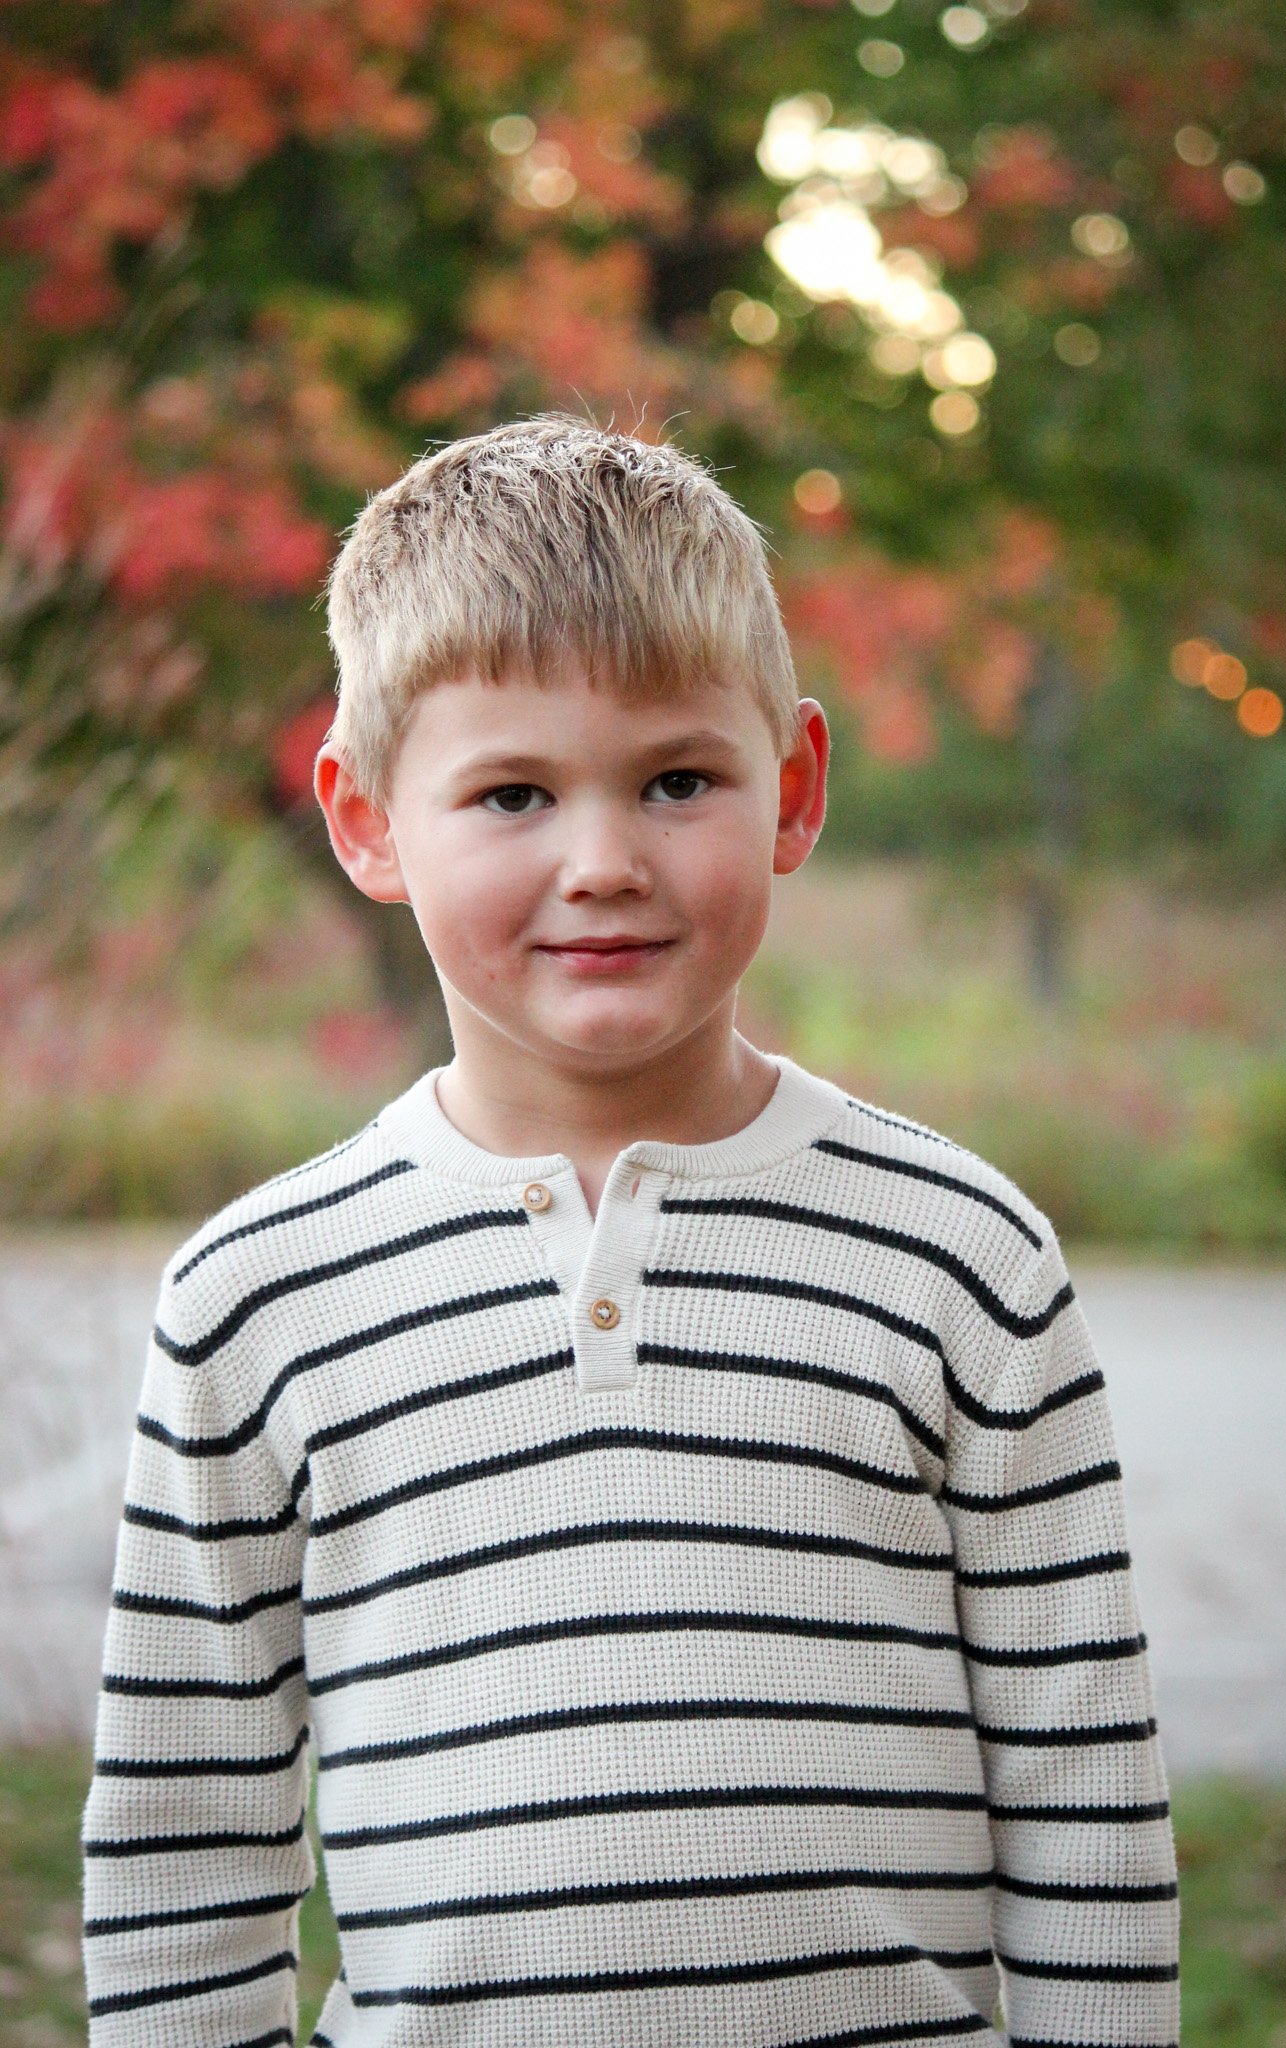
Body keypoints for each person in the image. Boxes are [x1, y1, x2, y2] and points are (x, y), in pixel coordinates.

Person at [81, 413, 1179, 2048]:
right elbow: (183, 1840)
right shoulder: (255, 1300)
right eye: (512, 793)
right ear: (367, 820)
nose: (601, 864)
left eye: (675, 781)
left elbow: (1083, 1786)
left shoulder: (963, 1256)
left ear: (791, 788)